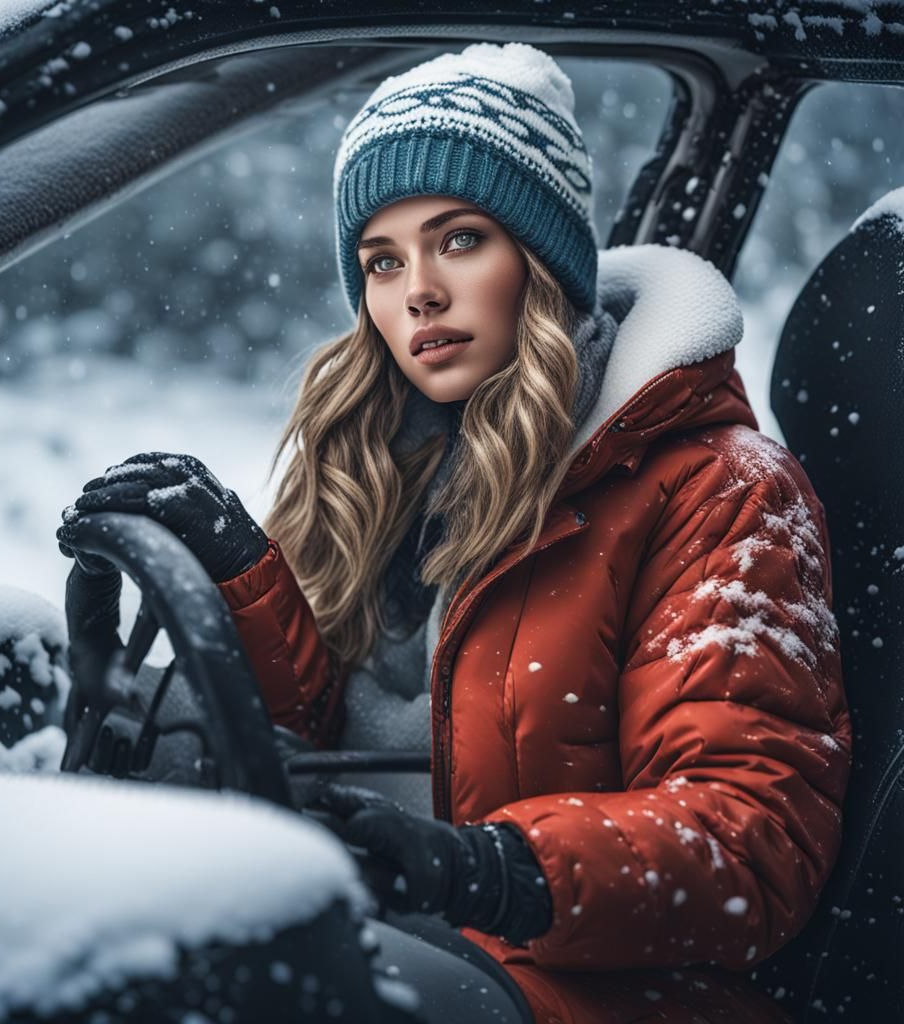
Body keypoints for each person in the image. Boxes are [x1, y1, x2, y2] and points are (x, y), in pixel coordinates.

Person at [58, 43, 850, 1024]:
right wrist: (239, 576)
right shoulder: (394, 463)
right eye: (380, 261)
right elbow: (355, 749)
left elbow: (753, 841)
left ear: (540, 256)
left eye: (459, 240)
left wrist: (493, 868)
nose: (416, 292)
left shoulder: (721, 489)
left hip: (599, 995)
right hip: (411, 943)